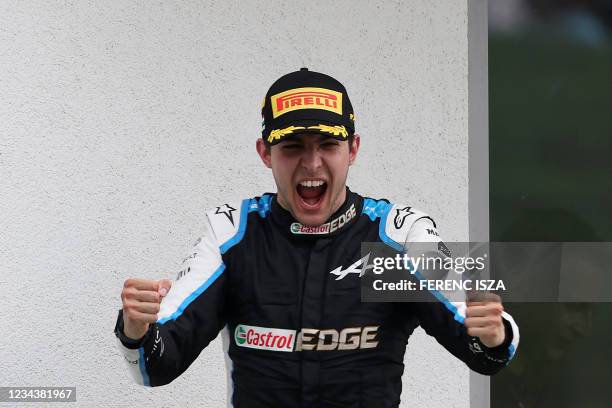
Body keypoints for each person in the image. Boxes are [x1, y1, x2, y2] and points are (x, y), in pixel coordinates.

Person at [114, 68, 520, 407]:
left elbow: (484, 351)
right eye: (292, 146)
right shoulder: (232, 233)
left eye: (328, 143)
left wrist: (494, 331)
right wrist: (136, 328)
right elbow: (157, 366)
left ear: (353, 149)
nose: (312, 163)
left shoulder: (400, 234)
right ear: (264, 153)